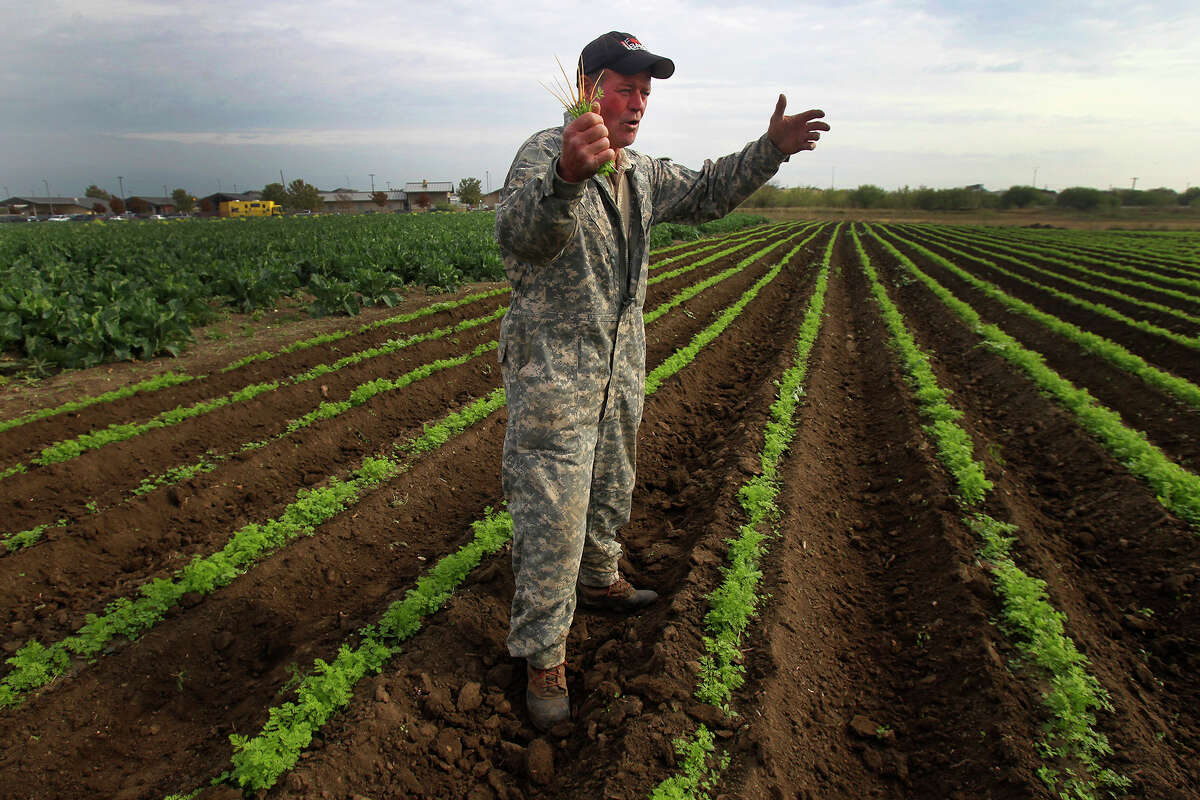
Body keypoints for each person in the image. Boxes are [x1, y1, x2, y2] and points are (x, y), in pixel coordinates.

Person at [493, 30, 829, 731]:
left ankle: (600, 576)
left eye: (646, 91)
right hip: (555, 372)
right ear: (587, 87)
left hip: (618, 364)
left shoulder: (639, 171)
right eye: (625, 87)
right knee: (552, 514)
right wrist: (564, 180)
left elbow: (706, 192)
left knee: (612, 481)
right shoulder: (544, 155)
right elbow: (520, 235)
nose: (638, 101)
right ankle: (544, 652)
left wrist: (768, 150)